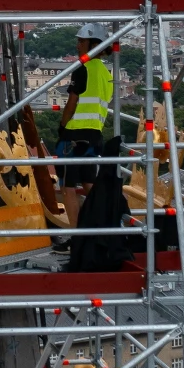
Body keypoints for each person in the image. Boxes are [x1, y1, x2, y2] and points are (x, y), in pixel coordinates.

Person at [56, 22, 115, 228]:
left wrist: (62, 126)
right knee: (89, 182)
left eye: (82, 41)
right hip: (94, 135)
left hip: (73, 134)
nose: (78, 45)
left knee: (68, 186)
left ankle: (76, 235)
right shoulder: (107, 74)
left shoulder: (83, 70)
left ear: (94, 45)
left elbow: (72, 104)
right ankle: (101, 228)